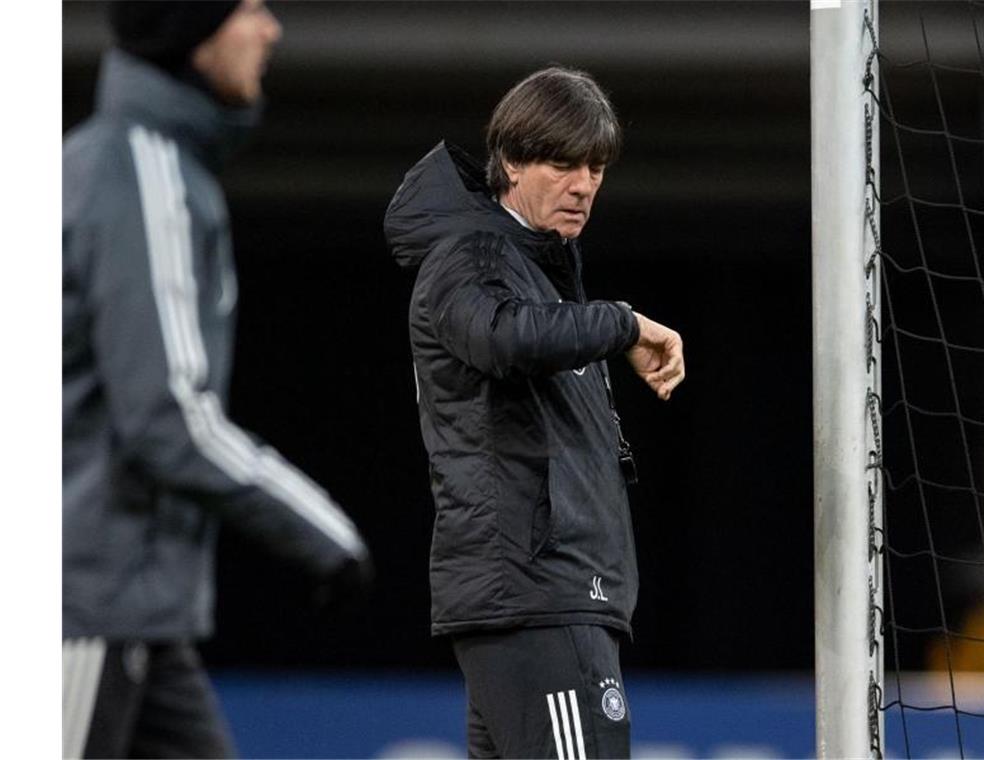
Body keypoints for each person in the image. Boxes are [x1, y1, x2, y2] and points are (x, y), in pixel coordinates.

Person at [62, 2, 372, 757]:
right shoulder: (139, 173)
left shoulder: (131, 165)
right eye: (250, 9)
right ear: (191, 33)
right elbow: (167, 415)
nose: (270, 30)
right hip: (82, 605)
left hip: (136, 614)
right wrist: (320, 527)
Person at [384, 66, 685, 759]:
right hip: (538, 598)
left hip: (543, 596)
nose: (584, 185)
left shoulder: (531, 267)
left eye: (596, 166)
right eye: (563, 162)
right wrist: (626, 324)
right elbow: (503, 337)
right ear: (511, 161)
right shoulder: (471, 251)